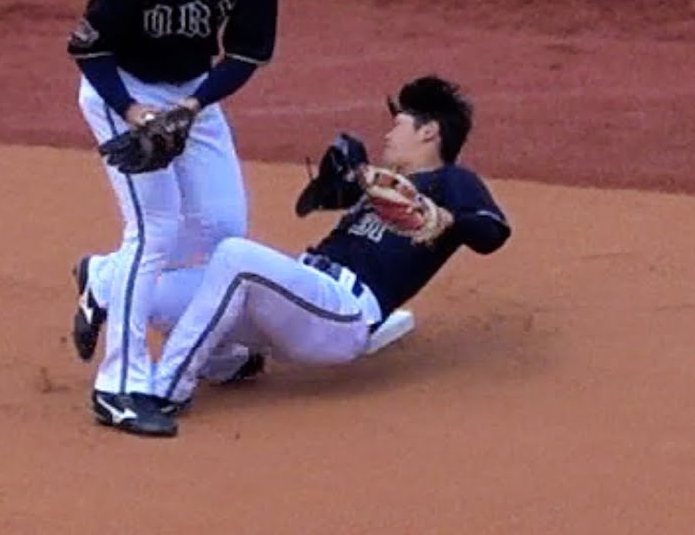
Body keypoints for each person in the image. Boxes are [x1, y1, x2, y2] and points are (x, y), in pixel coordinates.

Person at [142, 76, 513, 434]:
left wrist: (448, 219)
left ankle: (166, 392)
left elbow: (492, 233)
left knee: (234, 257)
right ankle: (230, 363)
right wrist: (342, 184)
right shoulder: (384, 186)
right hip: (302, 300)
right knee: (155, 295)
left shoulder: (452, 181)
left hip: (342, 315)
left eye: (398, 124)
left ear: (428, 132)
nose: (388, 135)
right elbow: (312, 204)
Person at [65, 0, 279, 436]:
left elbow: (246, 53)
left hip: (191, 92)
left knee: (224, 228)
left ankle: (111, 285)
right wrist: (134, 111)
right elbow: (90, 50)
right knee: (154, 229)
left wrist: (192, 105)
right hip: (123, 89)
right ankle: (118, 388)